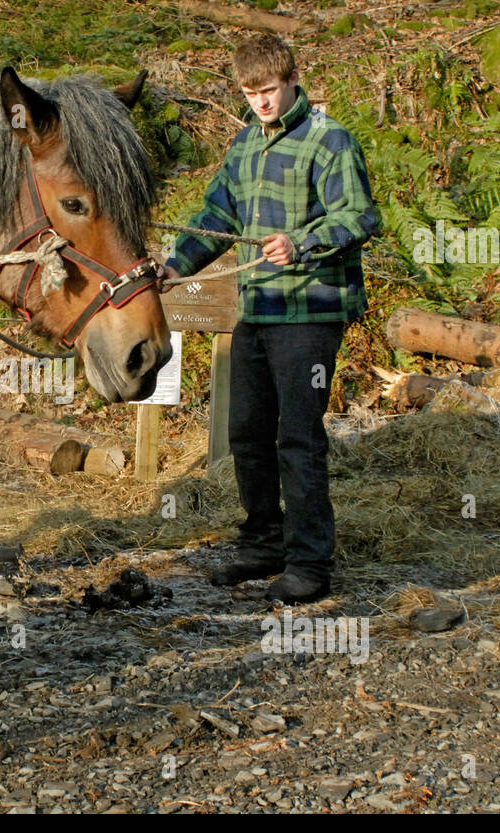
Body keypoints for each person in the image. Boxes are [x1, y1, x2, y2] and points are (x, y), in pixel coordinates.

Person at [161, 34, 379, 603]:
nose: (259, 102)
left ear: (290, 79)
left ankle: (310, 563)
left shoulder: (330, 141)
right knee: (246, 433)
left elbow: (360, 216)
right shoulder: (243, 146)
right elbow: (216, 215)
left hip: (310, 310)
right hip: (256, 308)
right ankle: (262, 544)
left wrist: (301, 242)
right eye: (248, 93)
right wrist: (173, 268)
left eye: (267, 90)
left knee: (297, 438)